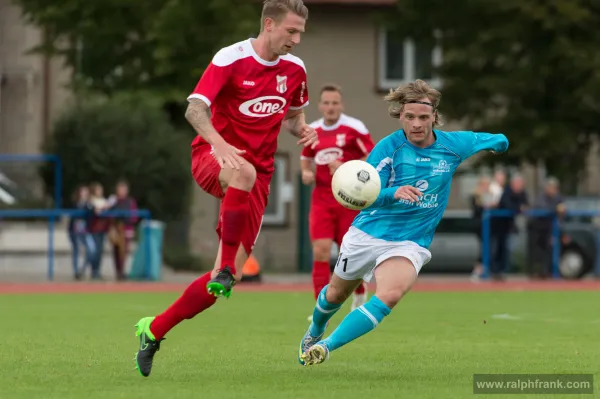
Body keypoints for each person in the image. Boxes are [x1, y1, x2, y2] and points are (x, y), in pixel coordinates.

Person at [133, 0, 316, 377]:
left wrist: (305, 131)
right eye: (291, 31)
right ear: (269, 24)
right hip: (212, 157)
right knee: (243, 174)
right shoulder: (230, 58)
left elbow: (293, 118)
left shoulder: (295, 70)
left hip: (257, 176)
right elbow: (194, 109)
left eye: (300, 33)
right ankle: (226, 269)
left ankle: (152, 331)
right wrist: (218, 142)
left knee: (224, 281)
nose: (297, 40)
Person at [297, 79, 509, 366]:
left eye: (423, 117)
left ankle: (325, 346)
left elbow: (492, 138)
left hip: (410, 241)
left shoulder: (453, 145)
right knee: (335, 294)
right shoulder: (389, 149)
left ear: (434, 116)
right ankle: (315, 330)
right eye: (409, 117)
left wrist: (500, 143)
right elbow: (365, 196)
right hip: (368, 233)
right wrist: (391, 193)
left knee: (390, 294)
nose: (417, 124)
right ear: (401, 116)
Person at [301, 84, 375, 317]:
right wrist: (306, 172)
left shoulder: (354, 127)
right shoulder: (312, 130)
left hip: (349, 200)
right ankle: (319, 306)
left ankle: (360, 293)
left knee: (350, 252)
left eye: (335, 103)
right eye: (326, 103)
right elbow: (306, 158)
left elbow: (371, 155)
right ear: (320, 105)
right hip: (322, 198)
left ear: (341, 105)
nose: (330, 107)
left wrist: (347, 167)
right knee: (321, 251)